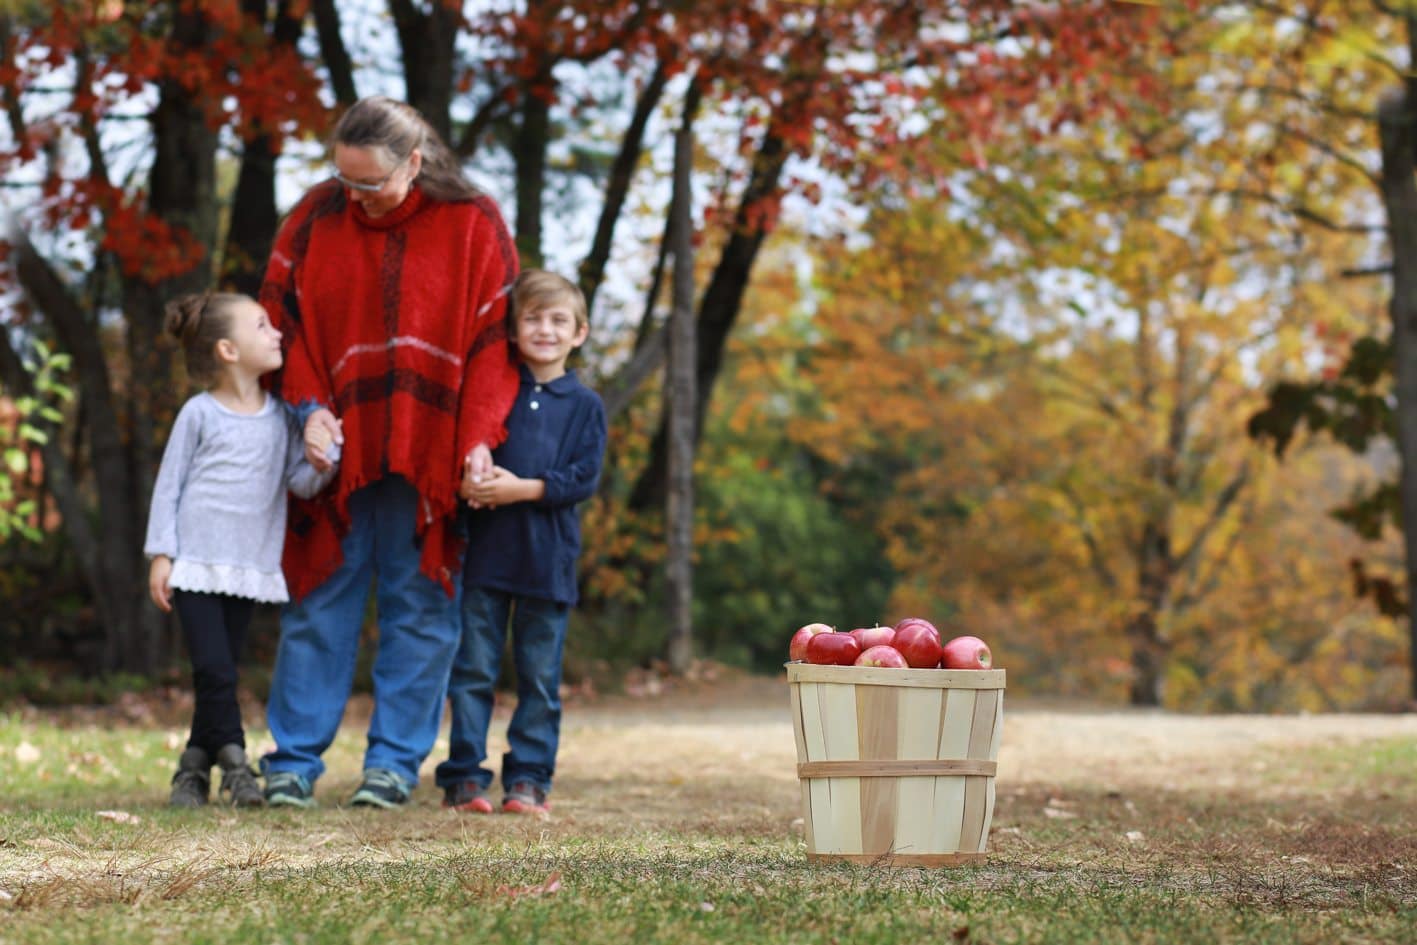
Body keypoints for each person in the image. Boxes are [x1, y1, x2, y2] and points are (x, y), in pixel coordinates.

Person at [257, 96, 520, 809]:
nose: (358, 197)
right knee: (319, 597)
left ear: (415, 160)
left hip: (430, 446)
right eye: (346, 180)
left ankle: (394, 765)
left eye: (372, 182)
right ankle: (291, 760)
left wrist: (474, 440)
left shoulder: (473, 221)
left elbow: (494, 343)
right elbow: (284, 326)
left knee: (420, 603)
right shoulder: (315, 217)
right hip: (335, 445)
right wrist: (309, 409)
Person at [145, 291, 338, 808]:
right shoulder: (199, 414)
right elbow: (170, 485)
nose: (276, 333)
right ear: (229, 350)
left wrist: (326, 457)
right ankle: (236, 764)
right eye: (262, 326)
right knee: (215, 670)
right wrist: (162, 554)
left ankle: (192, 768)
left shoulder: (282, 418)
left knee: (220, 670)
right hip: (195, 565)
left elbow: (300, 483)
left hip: (250, 566)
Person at [436, 269, 607, 815]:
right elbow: (469, 453)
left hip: (547, 562)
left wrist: (520, 490)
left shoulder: (585, 405)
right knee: (474, 671)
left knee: (538, 678)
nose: (545, 329)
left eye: (559, 320)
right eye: (532, 318)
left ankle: (529, 780)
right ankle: (463, 777)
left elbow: (583, 478)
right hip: (486, 556)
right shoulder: (494, 393)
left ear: (579, 332)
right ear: (512, 330)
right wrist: (477, 481)